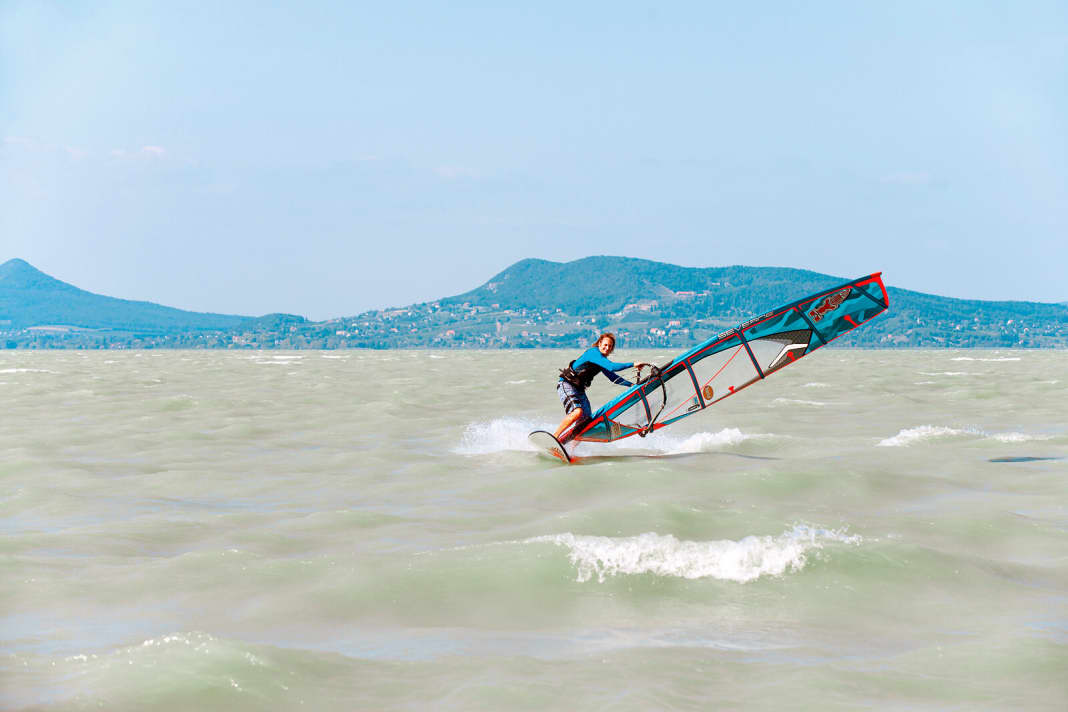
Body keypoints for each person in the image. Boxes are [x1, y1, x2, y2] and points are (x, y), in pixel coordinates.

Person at [554, 332, 650, 440]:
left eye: (610, 346)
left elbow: (613, 378)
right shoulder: (593, 353)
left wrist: (631, 385)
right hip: (567, 384)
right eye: (605, 345)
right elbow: (612, 367)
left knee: (586, 424)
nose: (607, 348)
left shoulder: (601, 361)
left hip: (579, 390)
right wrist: (633, 364)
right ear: (599, 343)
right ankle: (555, 438)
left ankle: (569, 449)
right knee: (577, 412)